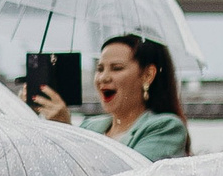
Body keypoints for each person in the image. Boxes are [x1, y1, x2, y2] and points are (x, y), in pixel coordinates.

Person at [28, 33, 190, 160]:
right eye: (100, 68)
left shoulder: (166, 127)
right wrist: (32, 118)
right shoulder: (89, 127)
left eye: (117, 68)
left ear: (148, 75)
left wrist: (67, 131)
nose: (103, 78)